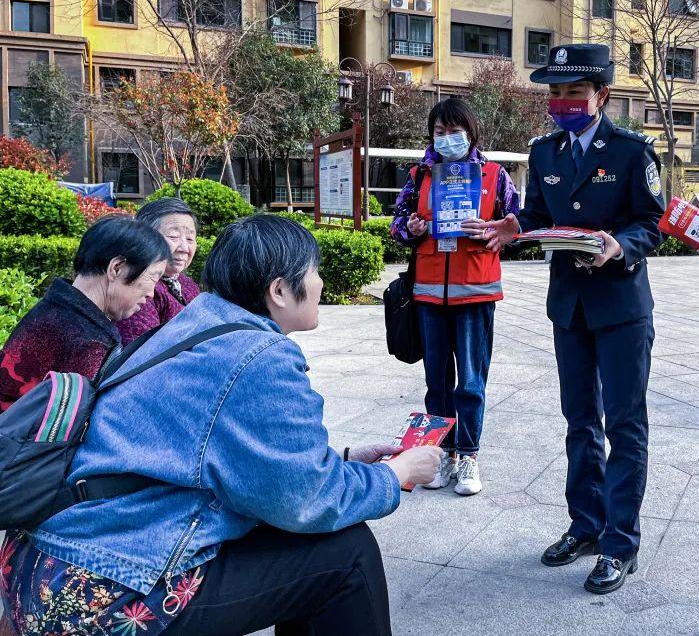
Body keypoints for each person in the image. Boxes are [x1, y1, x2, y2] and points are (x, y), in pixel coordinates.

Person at [0, 215, 442, 635]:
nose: (321, 283)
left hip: (43, 561)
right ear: (280, 291)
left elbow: (232, 455)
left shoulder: (198, 322)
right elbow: (305, 499)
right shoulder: (260, 358)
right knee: (347, 555)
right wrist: (394, 475)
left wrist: (345, 460)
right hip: (99, 590)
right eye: (314, 271)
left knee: (310, 540)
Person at [475, 44, 665, 595]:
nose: (561, 102)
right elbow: (538, 216)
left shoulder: (632, 152)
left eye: (572, 92)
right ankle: (585, 524)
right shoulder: (546, 154)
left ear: (600, 94)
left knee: (625, 424)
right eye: (554, 93)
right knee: (579, 421)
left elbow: (651, 224)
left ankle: (619, 542)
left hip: (622, 307)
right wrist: (514, 227)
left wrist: (618, 245)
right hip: (570, 307)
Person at [390, 98, 520, 497]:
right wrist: (410, 228)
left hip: (476, 291)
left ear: (471, 131)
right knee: (437, 381)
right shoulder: (419, 175)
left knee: (471, 382)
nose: (447, 139)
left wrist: (497, 230)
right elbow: (397, 223)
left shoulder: (495, 176)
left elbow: (517, 226)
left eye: (454, 130)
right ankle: (443, 452)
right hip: (429, 293)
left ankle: (468, 455)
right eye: (439, 132)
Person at [0, 216, 170, 412]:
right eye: (153, 277)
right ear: (116, 268)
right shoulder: (87, 340)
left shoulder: (57, 310)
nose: (152, 293)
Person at [115, 197, 201, 345]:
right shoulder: (139, 289)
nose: (184, 248)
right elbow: (141, 353)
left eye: (190, 239)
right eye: (173, 236)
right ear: (146, 238)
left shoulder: (186, 283)